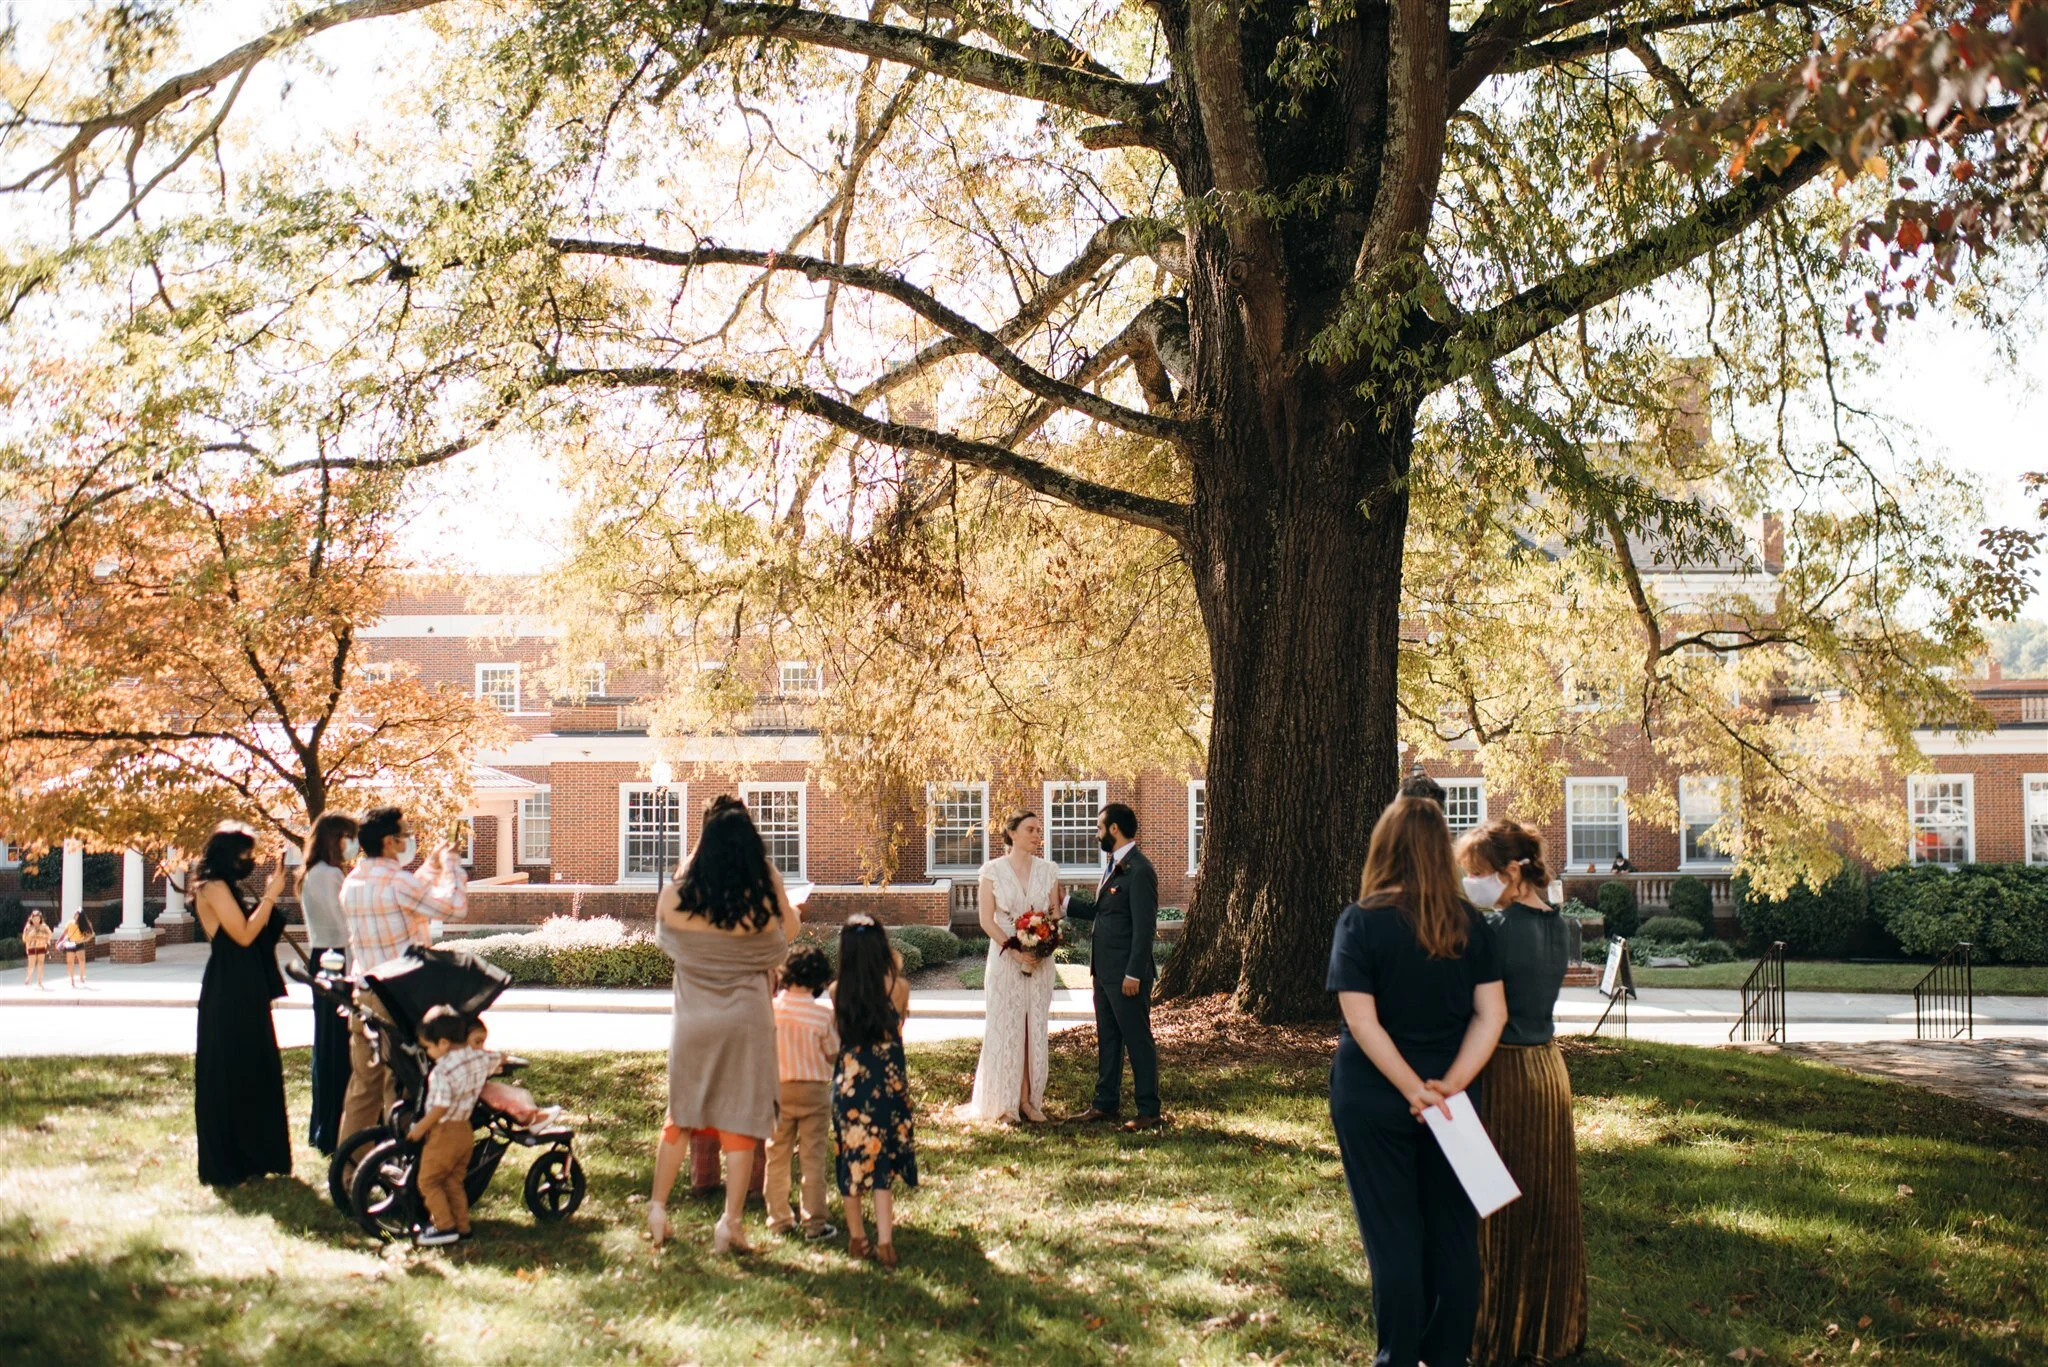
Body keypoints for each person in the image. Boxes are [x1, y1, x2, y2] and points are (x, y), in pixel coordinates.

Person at [1327, 795, 1509, 1367]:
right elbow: (1493, 1016)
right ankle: (1446, 1356)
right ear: (1439, 854)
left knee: (1394, 1238)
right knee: (1454, 1236)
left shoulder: (1360, 922)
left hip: (1376, 1100)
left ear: (1385, 847)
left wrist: (1415, 1091)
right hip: (1453, 1102)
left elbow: (1362, 1020)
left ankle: (1399, 1358)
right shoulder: (1471, 925)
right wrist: (1448, 1088)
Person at [1457, 819, 1588, 1366]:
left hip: (1506, 1071)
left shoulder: (1499, 932)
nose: (1474, 885)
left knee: (1498, 1205)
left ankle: (1498, 1332)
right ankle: (1551, 1327)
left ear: (1511, 871)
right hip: (1549, 1069)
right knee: (1548, 1202)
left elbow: (1481, 1009)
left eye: (1480, 875)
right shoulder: (1563, 927)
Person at [647, 795, 799, 1256]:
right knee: (741, 1117)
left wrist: (689, 866)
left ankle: (657, 1209)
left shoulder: (676, 896)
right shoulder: (756, 901)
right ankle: (729, 1223)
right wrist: (771, 880)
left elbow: (665, 942)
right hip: (745, 1022)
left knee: (682, 1114)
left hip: (692, 1021)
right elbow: (785, 939)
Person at [336, 805, 467, 1162]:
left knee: (364, 1086)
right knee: (410, 1083)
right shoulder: (396, 883)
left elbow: (409, 893)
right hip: (402, 996)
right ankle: (409, 1164)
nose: (410, 839)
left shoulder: (354, 882)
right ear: (391, 841)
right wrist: (452, 866)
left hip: (364, 995)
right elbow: (453, 907)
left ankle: (351, 1171)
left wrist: (433, 866)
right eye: (406, 834)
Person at [188, 823, 294, 1188]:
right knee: (230, 1071)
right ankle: (229, 1164)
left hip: (244, 986)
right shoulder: (212, 887)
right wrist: (270, 896)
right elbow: (245, 934)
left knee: (254, 1067)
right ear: (228, 854)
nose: (250, 861)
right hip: (228, 988)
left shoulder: (225, 886)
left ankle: (255, 1158)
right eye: (245, 855)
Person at [1063, 802, 1161, 1131]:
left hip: (1126, 975)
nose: (1096, 833)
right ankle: (1105, 1103)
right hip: (1102, 971)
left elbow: (1144, 927)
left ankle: (1149, 1110)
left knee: (1137, 1039)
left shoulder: (1140, 869)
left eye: (1099, 828)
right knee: (1108, 1038)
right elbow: (1104, 911)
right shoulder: (1112, 865)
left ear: (1114, 829)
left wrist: (1134, 973)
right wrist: (1065, 904)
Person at [963, 811, 1065, 1124]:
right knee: (1006, 1026)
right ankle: (1004, 1104)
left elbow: (1054, 915)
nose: (1037, 835)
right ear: (1012, 833)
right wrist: (1016, 951)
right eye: (1031, 829)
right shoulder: (991, 871)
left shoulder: (1048, 870)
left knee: (1033, 1028)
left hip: (1039, 962)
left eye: (1039, 830)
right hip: (1006, 959)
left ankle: (1028, 1101)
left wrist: (1043, 945)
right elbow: (986, 920)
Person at [832, 915, 917, 1266]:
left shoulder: (839, 991)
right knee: (881, 1164)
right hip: (888, 1082)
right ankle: (885, 1242)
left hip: (851, 1083)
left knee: (850, 1160)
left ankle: (856, 1237)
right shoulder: (899, 987)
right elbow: (900, 1025)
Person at [765, 945, 839, 1241]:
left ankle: (779, 1218)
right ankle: (814, 1223)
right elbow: (833, 1053)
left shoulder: (771, 1010)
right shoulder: (822, 1016)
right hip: (813, 1093)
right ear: (819, 980)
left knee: (777, 1156)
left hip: (778, 1091)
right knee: (813, 1158)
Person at [298, 810, 360, 1155]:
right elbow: (346, 927)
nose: (352, 845)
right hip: (336, 960)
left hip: (323, 957)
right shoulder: (330, 876)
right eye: (348, 837)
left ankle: (325, 1124)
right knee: (338, 1046)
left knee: (327, 1043)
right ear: (335, 839)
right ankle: (334, 1128)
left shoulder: (313, 873)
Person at [407, 1005, 492, 1247]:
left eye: (429, 1047)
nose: (429, 1052)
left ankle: (444, 1227)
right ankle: (462, 1227)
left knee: (429, 1181)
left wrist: (420, 1128)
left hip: (444, 1132)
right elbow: (497, 1058)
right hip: (465, 1131)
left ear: (443, 1043)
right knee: (453, 1182)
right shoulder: (478, 1058)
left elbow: (440, 1107)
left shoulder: (442, 1071)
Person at [469, 1017, 560, 1130]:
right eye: (477, 1042)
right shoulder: (467, 1059)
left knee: (506, 1093)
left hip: (469, 1096)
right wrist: (500, 1058)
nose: (481, 1048)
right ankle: (531, 1119)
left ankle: (532, 1115)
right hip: (470, 1101)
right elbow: (496, 1058)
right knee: (506, 1096)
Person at [59, 911, 93, 987]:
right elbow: (65, 933)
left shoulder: (84, 924)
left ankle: (81, 976)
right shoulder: (70, 923)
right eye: (75, 914)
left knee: (81, 960)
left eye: (77, 915)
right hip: (71, 943)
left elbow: (90, 935)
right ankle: (72, 979)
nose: (75, 916)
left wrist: (82, 940)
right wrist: (60, 941)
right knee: (70, 962)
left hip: (79, 944)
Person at [21, 910, 50, 988]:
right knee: (31, 965)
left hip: (41, 946)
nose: (36, 920)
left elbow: (49, 935)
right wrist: (31, 934)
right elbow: (24, 938)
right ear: (31, 919)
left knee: (40, 964)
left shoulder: (44, 927)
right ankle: (29, 978)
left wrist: (43, 936)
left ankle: (39, 982)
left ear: (40, 919)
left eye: (38, 919)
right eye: (34, 919)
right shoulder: (28, 927)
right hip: (32, 947)